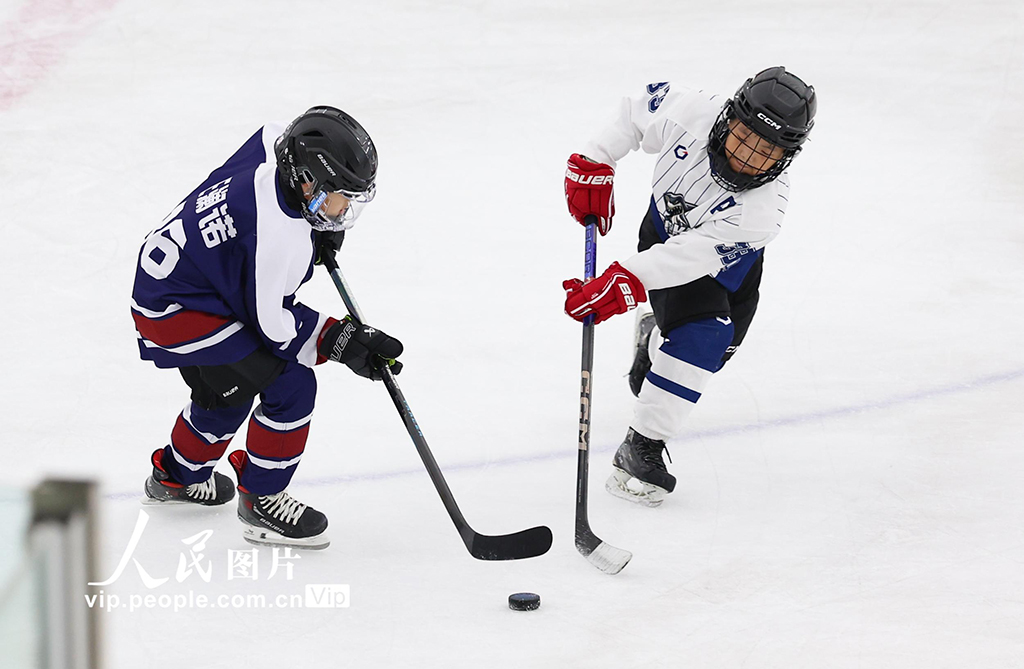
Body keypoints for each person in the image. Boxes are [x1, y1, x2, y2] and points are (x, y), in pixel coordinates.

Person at [131, 106, 404, 549]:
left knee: (227, 392)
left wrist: (317, 230)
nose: (344, 209)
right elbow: (275, 330)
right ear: (308, 181)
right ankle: (263, 499)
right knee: (290, 385)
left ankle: (176, 478)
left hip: (175, 287)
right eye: (339, 196)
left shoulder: (275, 147)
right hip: (185, 313)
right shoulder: (277, 240)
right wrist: (341, 340)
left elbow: (269, 151)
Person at [562, 67, 816, 507]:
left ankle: (656, 337)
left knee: (712, 356)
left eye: (767, 150)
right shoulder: (690, 109)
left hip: (725, 268)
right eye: (744, 136)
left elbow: (690, 259)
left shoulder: (764, 211)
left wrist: (626, 280)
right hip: (663, 234)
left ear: (786, 156)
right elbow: (634, 112)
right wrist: (596, 159)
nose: (747, 157)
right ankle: (641, 447)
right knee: (703, 336)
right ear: (727, 118)